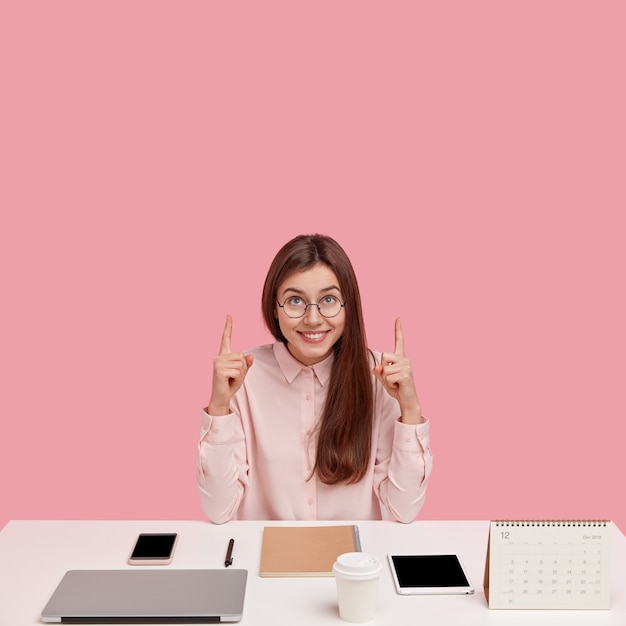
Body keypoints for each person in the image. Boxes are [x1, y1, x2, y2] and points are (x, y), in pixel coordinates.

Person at [196, 234, 432, 523]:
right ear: (274, 307)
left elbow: (404, 510)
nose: (313, 319)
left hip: (350, 564)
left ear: (348, 306)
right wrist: (219, 407)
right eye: (295, 300)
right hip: (266, 559)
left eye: (329, 300)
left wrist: (410, 412)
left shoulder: (380, 377)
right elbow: (218, 511)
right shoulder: (243, 377)